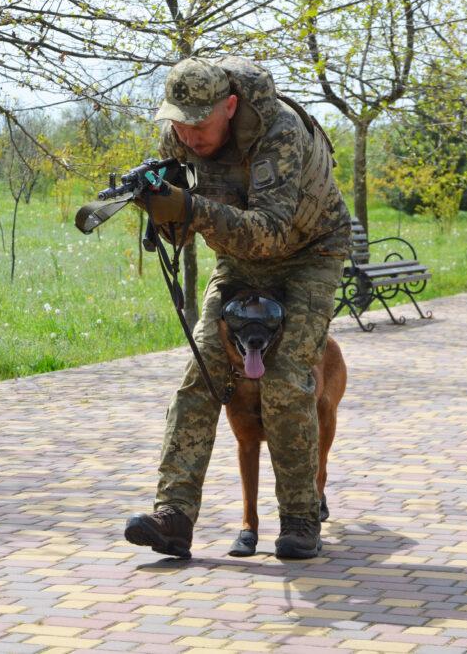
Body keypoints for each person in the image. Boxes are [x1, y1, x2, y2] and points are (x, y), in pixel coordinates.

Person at [123, 56, 353, 559]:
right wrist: (162, 210)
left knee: (288, 376)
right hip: (237, 258)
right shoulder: (180, 134)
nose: (188, 136)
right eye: (178, 124)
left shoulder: (280, 132)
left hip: (309, 254)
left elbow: (269, 232)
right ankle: (174, 516)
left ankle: (299, 519)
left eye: (199, 125)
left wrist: (192, 207)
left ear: (229, 106)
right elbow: (186, 232)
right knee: (201, 374)